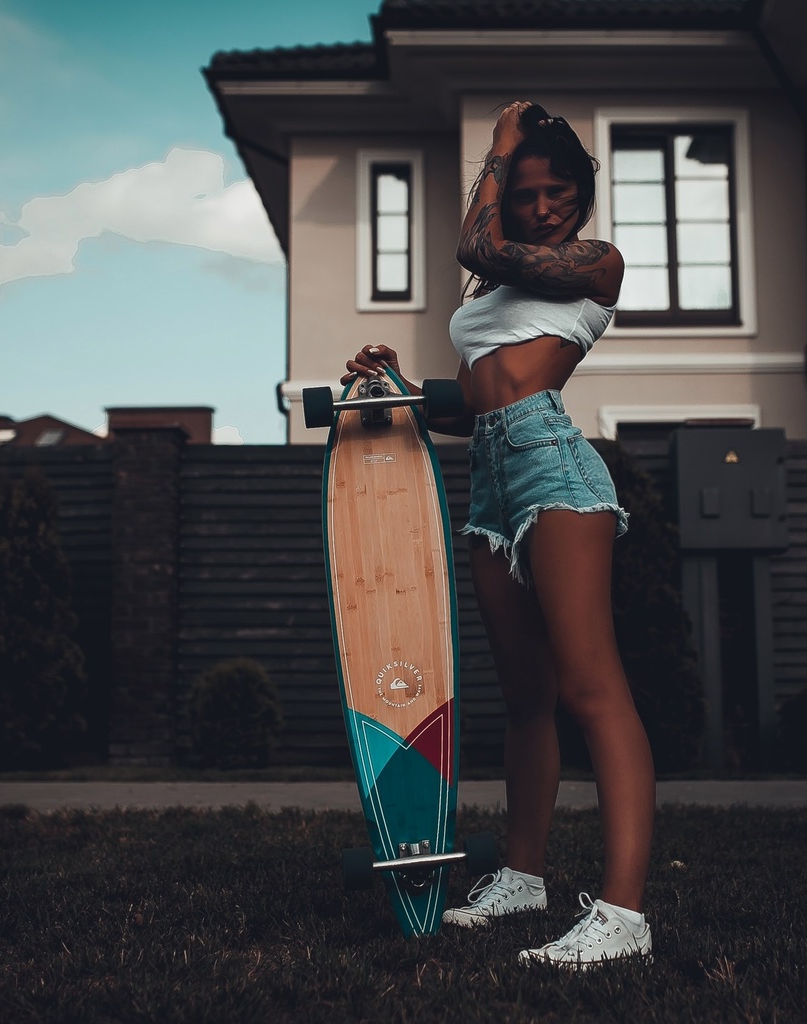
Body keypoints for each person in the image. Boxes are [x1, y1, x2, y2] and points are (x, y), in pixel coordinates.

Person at [341, 101, 655, 968]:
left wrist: (501, 149)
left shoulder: (596, 264)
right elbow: (477, 397)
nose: (545, 205)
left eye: (560, 192)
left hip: (553, 467)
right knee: (525, 699)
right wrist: (398, 385)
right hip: (491, 475)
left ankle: (625, 918)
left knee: (594, 689)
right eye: (528, 193)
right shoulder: (499, 291)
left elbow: (474, 248)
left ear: (580, 200)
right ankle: (524, 876)